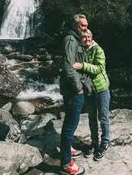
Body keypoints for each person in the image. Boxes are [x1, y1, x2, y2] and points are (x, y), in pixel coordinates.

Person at [74, 29, 111, 161]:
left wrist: (82, 65)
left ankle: (105, 142)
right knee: (91, 117)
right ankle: (94, 142)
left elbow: (99, 68)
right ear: (81, 39)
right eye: (84, 37)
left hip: (101, 89)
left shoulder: (98, 50)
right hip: (89, 90)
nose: (87, 39)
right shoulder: (82, 51)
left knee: (103, 117)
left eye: (89, 37)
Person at [59, 14, 89, 175]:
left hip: (72, 88)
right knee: (70, 125)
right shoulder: (70, 40)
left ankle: (67, 148)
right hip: (73, 89)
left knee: (70, 123)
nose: (85, 28)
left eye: (86, 25)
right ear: (75, 25)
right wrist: (78, 87)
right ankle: (65, 164)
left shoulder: (76, 39)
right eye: (83, 25)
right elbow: (68, 66)